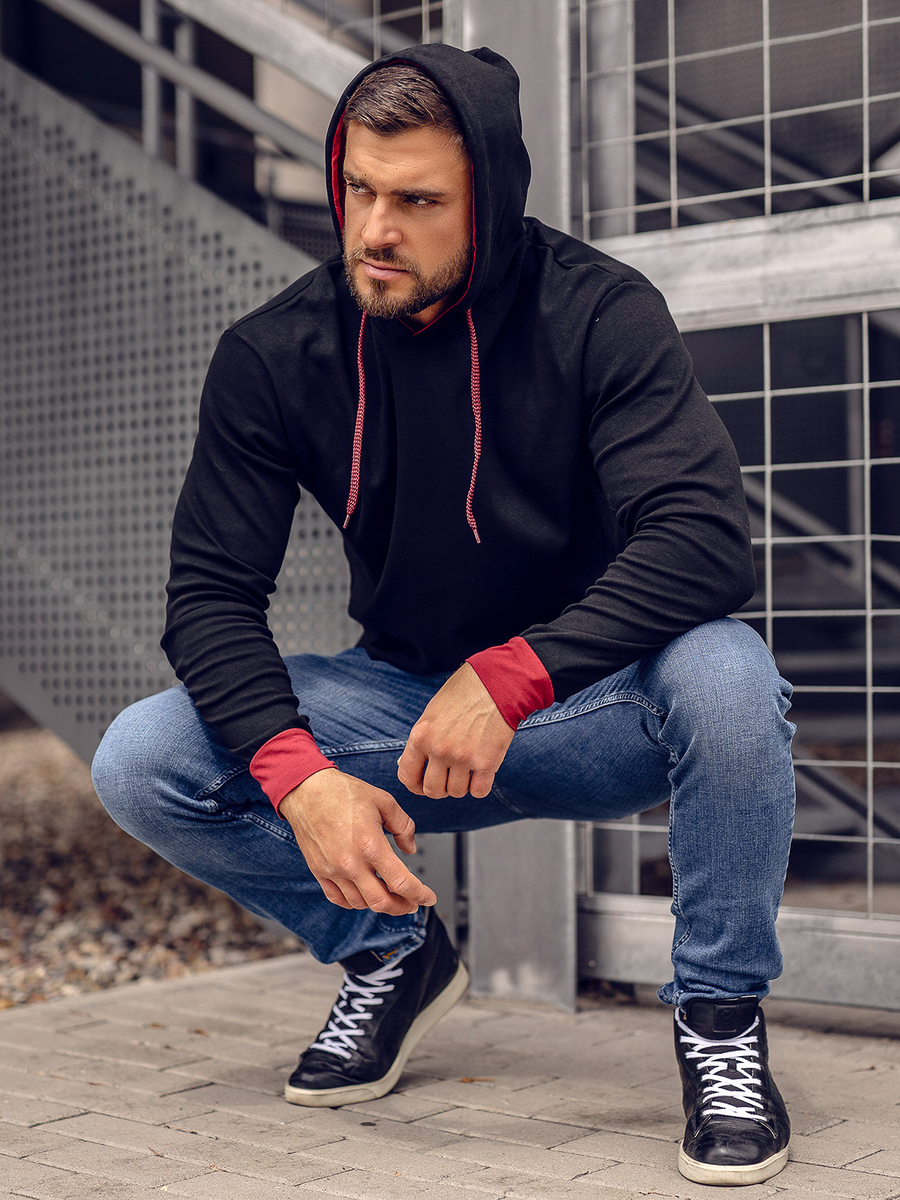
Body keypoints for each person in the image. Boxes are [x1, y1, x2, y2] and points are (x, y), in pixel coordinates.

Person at [91, 43, 796, 1187]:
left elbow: (704, 539)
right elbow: (210, 597)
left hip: (598, 704)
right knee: (143, 757)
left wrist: (514, 673)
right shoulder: (275, 354)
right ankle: (392, 953)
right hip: (405, 714)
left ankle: (719, 1021)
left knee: (726, 672)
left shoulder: (598, 310)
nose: (375, 230)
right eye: (359, 190)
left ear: (490, 200)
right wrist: (302, 781)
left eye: (417, 201)